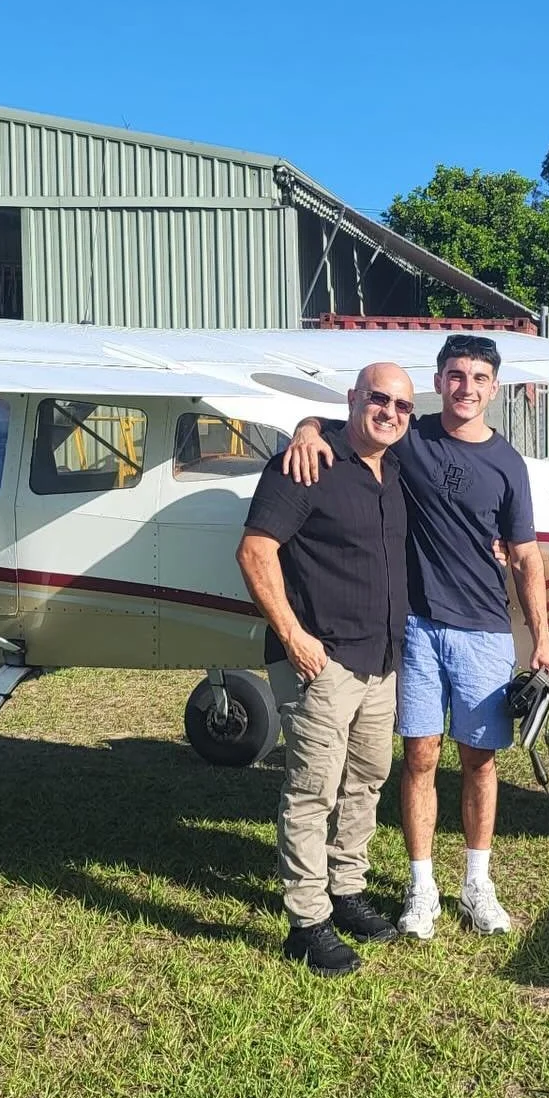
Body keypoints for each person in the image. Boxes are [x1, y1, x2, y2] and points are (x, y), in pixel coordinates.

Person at [283, 332, 549, 940]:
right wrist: (305, 429)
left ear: (495, 388)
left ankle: (478, 882)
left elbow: (525, 555)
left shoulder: (508, 464)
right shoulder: (408, 434)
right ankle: (421, 887)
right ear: (439, 382)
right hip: (414, 628)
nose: (467, 388)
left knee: (480, 761)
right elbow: (345, 424)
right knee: (419, 757)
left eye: (479, 378)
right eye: (456, 376)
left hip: (484, 630)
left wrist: (542, 641)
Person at [237, 363, 415, 976]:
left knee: (366, 780)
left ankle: (346, 890)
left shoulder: (395, 466)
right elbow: (254, 552)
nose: (390, 412)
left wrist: (308, 421)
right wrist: (293, 635)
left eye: (402, 405)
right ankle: (307, 921)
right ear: (353, 399)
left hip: (381, 660)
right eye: (378, 399)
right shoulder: (305, 464)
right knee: (313, 789)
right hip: (322, 661)